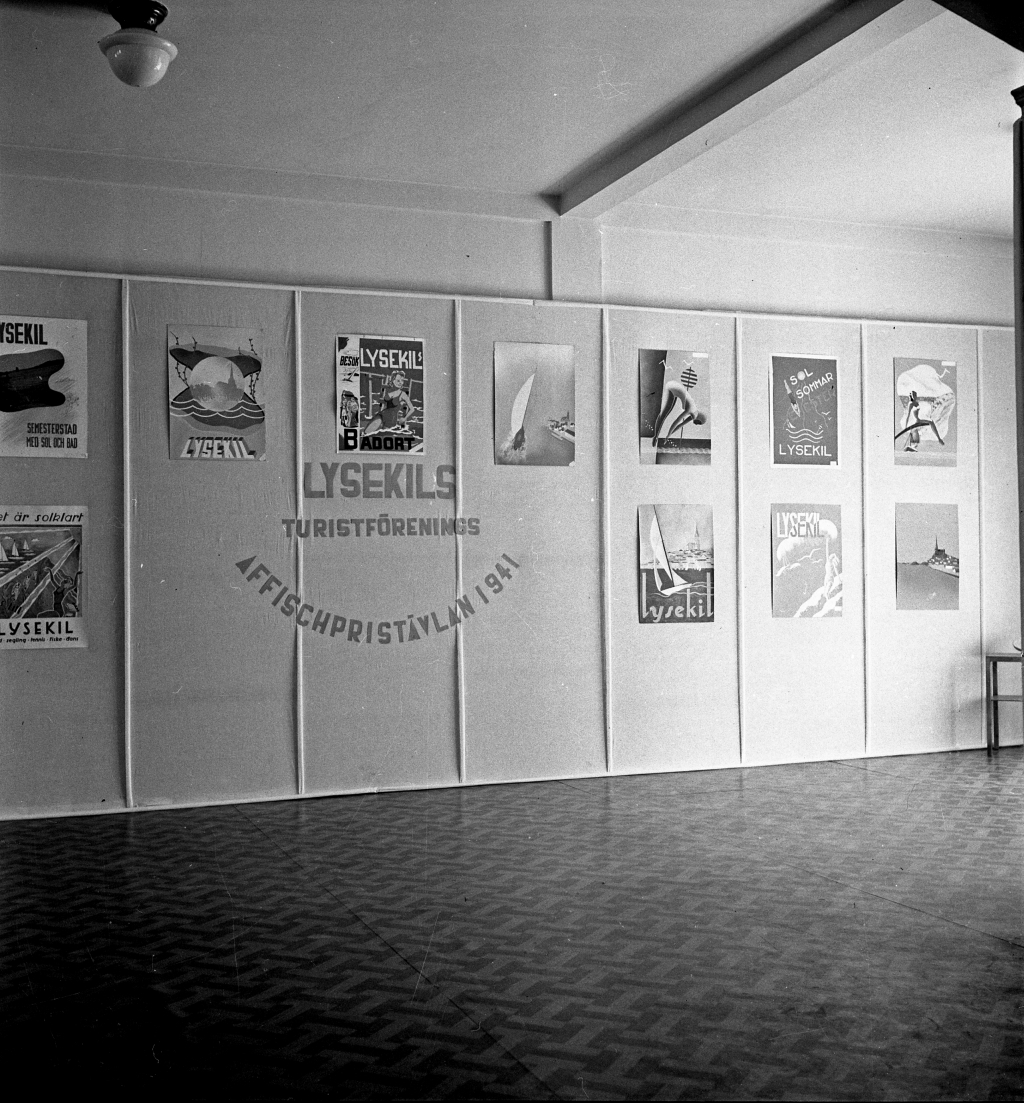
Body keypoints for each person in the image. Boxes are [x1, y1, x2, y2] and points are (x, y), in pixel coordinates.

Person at [651, 364, 706, 446]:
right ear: (698, 419)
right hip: (672, 387)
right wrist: (668, 435)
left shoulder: (694, 413)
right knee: (664, 414)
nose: (695, 423)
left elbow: (680, 425)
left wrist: (669, 435)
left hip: (676, 390)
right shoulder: (691, 410)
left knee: (665, 413)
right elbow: (676, 421)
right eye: (698, 423)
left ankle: (656, 436)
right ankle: (655, 436)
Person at [363, 370, 415, 435]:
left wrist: (404, 418)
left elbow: (412, 409)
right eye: (398, 380)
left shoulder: (403, 394)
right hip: (381, 415)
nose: (400, 383)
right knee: (366, 433)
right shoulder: (389, 389)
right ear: (393, 380)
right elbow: (385, 399)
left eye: (402, 380)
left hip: (391, 420)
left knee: (382, 435)